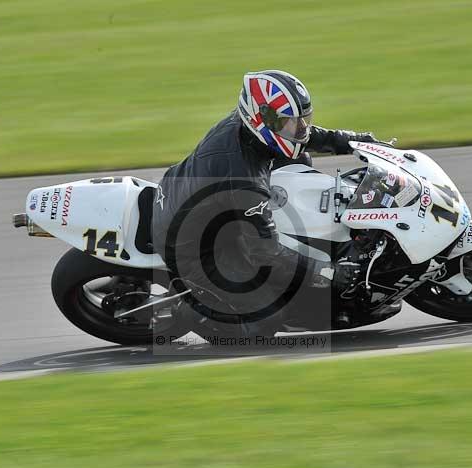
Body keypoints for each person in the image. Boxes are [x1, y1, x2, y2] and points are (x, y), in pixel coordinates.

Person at [151, 70, 375, 336]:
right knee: (266, 320)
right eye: (290, 122)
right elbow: (265, 254)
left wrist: (354, 141)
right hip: (196, 247)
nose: (300, 129)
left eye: (302, 119)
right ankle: (187, 306)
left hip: (197, 199)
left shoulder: (250, 126)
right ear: (261, 120)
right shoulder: (244, 179)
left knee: (299, 162)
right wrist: (327, 272)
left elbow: (303, 135)